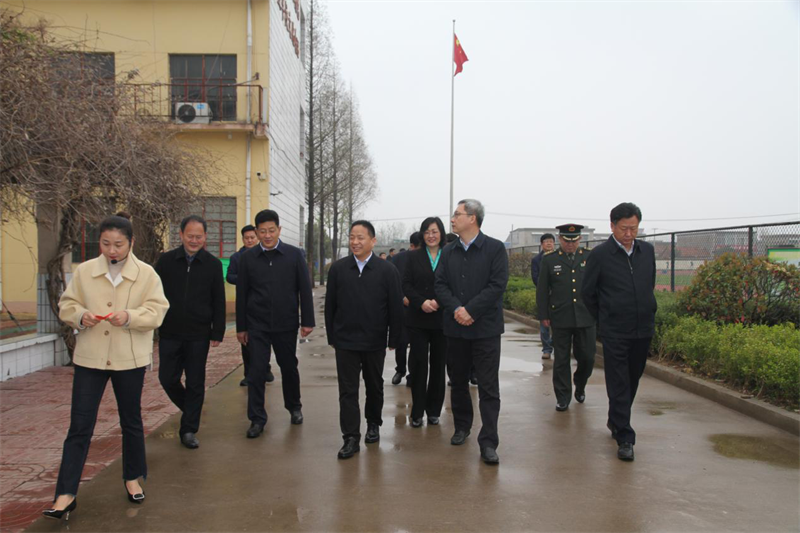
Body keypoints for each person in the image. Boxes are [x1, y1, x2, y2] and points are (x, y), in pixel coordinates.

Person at [44, 214, 169, 520]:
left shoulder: (147, 274)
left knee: (131, 421)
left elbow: (157, 311)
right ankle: (65, 494)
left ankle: (133, 477)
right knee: (80, 426)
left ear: (131, 243)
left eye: (118, 244)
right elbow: (67, 304)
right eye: (105, 243)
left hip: (129, 358)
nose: (112, 250)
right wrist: (79, 316)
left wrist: (130, 317)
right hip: (91, 358)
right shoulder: (85, 271)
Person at [435, 199, 508, 465]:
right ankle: (462, 426)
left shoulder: (495, 249)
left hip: (486, 330)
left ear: (472, 218)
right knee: (457, 382)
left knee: (488, 387)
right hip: (455, 329)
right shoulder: (448, 251)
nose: (452, 219)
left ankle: (488, 441)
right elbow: (440, 284)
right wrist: (457, 309)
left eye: (457, 214)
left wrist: (471, 311)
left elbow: (497, 285)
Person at [582, 203, 656, 462]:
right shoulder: (600, 255)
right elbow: (587, 292)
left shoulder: (647, 251)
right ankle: (625, 436)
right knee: (618, 381)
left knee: (633, 378)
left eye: (633, 228)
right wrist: (604, 319)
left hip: (643, 328)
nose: (629, 233)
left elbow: (649, 284)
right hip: (615, 330)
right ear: (612, 226)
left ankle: (615, 419)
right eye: (624, 228)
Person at [325, 220, 404, 459]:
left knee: (374, 385)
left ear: (373, 240)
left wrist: (394, 338)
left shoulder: (387, 271)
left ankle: (373, 423)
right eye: (352, 237)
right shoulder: (338, 269)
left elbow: (395, 308)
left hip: (374, 340)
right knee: (347, 390)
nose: (355, 242)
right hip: (346, 341)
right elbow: (331, 306)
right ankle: (350, 437)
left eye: (360, 237)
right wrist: (333, 336)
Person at [236, 209, 315, 438]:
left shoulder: (293, 255)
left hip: (285, 323)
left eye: (271, 230)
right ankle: (257, 418)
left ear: (279, 230)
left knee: (288, 366)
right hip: (257, 324)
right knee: (256, 371)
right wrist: (242, 327)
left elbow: (304, 289)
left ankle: (294, 407)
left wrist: (307, 320)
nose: (267, 235)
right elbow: (242, 294)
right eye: (263, 231)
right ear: (256, 232)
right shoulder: (248, 258)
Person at [155, 215, 225, 450]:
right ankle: (191, 408)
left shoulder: (213, 265)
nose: (194, 240)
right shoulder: (165, 262)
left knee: (196, 381)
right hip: (170, 332)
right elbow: (153, 295)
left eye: (199, 236)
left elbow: (219, 300)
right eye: (190, 236)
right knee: (167, 378)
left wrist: (218, 330)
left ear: (205, 237)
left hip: (199, 334)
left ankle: (188, 429)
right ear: (181, 235)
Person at [536, 224, 596, 412]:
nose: (571, 244)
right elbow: (543, 290)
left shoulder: (589, 257)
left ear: (580, 240)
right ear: (560, 239)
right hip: (560, 316)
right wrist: (544, 315)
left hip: (586, 316)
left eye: (575, 240)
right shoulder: (550, 260)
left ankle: (580, 383)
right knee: (561, 359)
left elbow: (598, 286)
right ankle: (563, 396)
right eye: (567, 240)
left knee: (587, 357)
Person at [403, 218, 447, 427]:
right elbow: (406, 284)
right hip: (419, 318)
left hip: (442, 319)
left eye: (435, 231)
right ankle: (417, 412)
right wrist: (421, 302)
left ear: (441, 234)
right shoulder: (413, 257)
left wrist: (439, 302)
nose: (431, 235)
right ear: (422, 234)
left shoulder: (449, 255)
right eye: (427, 231)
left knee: (438, 367)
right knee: (419, 365)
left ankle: (434, 411)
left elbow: (456, 283)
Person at [227, 224, 274, 387]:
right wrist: (244, 278)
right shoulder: (237, 258)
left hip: (263, 303)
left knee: (264, 340)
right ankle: (248, 373)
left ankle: (265, 368)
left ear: (257, 237)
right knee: (246, 341)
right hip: (245, 303)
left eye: (252, 237)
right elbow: (230, 276)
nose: (249, 240)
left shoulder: (266, 255)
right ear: (243, 239)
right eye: (246, 238)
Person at [389, 232, 421, 387]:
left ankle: (413, 375)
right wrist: (402, 297)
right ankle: (400, 370)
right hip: (401, 308)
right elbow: (392, 283)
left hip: (420, 309)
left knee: (417, 346)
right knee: (401, 343)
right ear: (412, 246)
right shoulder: (397, 260)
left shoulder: (428, 259)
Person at [531, 233, 556, 360]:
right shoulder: (536, 260)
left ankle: (557, 346)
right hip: (544, 296)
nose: (549, 243)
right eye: (546, 241)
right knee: (544, 324)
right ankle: (547, 349)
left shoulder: (559, 258)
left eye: (551, 241)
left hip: (558, 296)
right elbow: (535, 278)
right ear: (542, 244)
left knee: (559, 324)